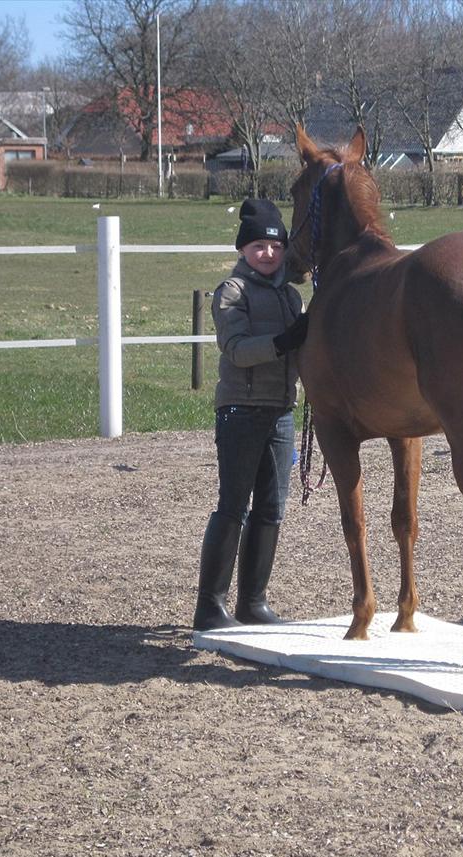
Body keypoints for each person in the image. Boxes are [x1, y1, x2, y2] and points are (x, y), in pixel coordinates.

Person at [193, 198, 309, 631]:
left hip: (280, 412)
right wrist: (283, 341)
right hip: (240, 411)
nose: (269, 254)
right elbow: (237, 350)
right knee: (233, 506)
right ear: (243, 249)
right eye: (259, 245)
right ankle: (210, 606)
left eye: (276, 247)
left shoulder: (291, 297)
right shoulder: (231, 293)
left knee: (272, 508)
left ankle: (252, 602)